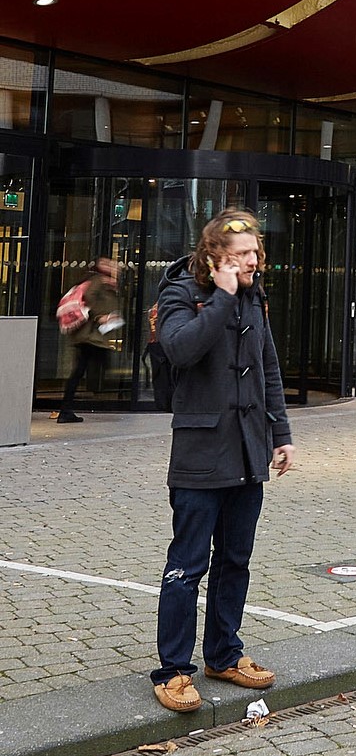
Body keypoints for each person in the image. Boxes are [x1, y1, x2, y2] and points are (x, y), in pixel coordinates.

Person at [150, 209, 295, 713]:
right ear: (214, 256)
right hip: (199, 453)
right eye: (241, 255)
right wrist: (222, 297)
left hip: (248, 452)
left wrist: (282, 433)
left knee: (235, 561)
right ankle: (172, 670)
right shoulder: (179, 294)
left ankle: (224, 655)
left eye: (255, 252)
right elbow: (181, 350)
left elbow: (268, 366)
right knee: (187, 566)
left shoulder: (255, 296)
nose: (253, 261)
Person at [57, 257, 121, 423]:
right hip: (89, 336)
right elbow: (89, 297)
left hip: (89, 336)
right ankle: (66, 410)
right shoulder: (97, 280)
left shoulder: (105, 282)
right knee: (100, 364)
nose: (112, 266)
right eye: (106, 263)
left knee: (79, 371)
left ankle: (66, 410)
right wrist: (100, 316)